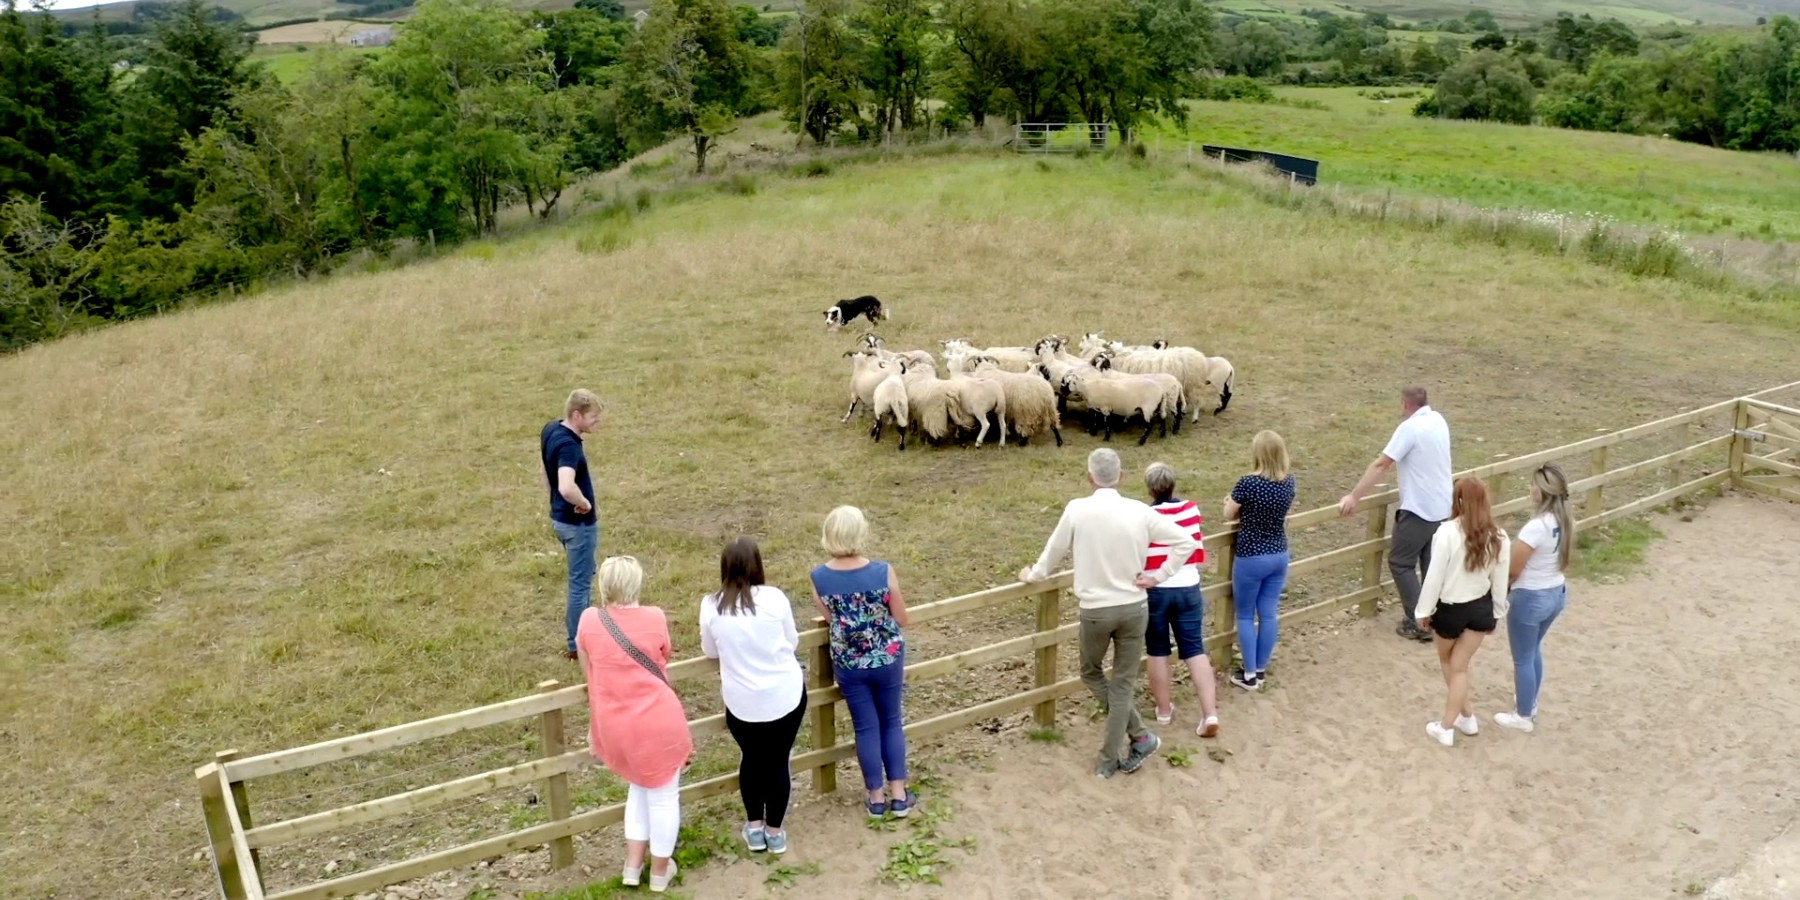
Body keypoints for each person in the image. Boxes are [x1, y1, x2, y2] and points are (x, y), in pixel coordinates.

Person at [1019, 448, 1199, 779]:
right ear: (1122, 477)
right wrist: (1158, 576)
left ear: (1090, 477)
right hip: (1134, 607)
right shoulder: (1139, 511)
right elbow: (1186, 541)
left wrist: (1033, 575)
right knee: (1123, 684)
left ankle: (1111, 756)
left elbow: (1053, 552)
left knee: (1091, 673)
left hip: (1096, 611)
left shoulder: (1077, 509)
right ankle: (1138, 738)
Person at [577, 556, 692, 892]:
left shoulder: (588, 620)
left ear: (604, 586)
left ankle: (632, 866)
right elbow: (664, 654)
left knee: (638, 788)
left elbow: (589, 670)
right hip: (658, 720)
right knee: (663, 796)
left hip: (614, 724)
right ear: (636, 584)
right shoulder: (654, 617)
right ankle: (659, 871)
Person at [701, 537, 807, 854]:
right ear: (758, 564)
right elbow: (793, 641)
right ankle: (775, 832)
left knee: (752, 760)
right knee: (777, 762)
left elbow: (709, 650)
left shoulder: (711, 605)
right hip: (785, 696)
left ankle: (755, 827)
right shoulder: (775, 599)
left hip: (743, 704)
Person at [810, 507, 914, 819]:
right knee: (891, 721)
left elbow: (831, 621)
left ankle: (876, 798)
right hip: (887, 657)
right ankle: (899, 795)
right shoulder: (883, 571)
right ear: (861, 533)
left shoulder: (819, 577)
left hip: (850, 663)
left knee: (866, 727)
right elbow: (902, 618)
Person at [1338, 386, 1453, 643]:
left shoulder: (1409, 429)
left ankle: (1418, 622)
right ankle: (1434, 616)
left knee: (1401, 562)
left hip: (1419, 509)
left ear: (1404, 404)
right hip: (1441, 508)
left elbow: (1382, 464)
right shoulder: (1438, 420)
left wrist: (1354, 497)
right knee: (1430, 565)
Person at [1415, 479, 1510, 748]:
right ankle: (1466, 717)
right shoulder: (1500, 537)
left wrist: (1423, 610)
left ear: (1458, 501)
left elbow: (1434, 576)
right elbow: (1500, 582)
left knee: (1452, 666)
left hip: (1450, 609)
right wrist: (1497, 613)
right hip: (1480, 609)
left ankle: (1447, 726)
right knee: (1461, 667)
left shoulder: (1446, 533)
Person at [1140, 462, 1220, 738]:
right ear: (1172, 484)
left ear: (1150, 489)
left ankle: (1164, 711)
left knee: (1157, 649)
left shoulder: (1146, 515)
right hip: (1188, 585)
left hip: (1156, 588)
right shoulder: (1191, 508)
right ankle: (1209, 713)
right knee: (1195, 648)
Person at [1495, 464, 1574, 734]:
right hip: (1556, 592)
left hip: (1530, 597)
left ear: (1541, 491)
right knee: (1533, 650)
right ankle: (1531, 701)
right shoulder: (1562, 521)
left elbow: (1514, 569)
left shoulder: (1535, 527)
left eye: (1532, 485)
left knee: (1522, 658)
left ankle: (1523, 715)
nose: (1530, 490)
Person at [1223, 430, 1296, 692]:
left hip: (1252, 556)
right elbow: (1285, 513)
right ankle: (1261, 669)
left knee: (1244, 615)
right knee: (1268, 613)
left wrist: (1229, 503)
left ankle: (1250, 674)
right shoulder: (1288, 483)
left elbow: (1228, 513)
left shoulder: (1248, 483)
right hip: (1279, 554)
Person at [542, 389, 605, 660]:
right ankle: (577, 644)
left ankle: (583, 635)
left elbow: (547, 473)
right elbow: (567, 486)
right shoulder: (569, 446)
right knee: (580, 586)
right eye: (593, 417)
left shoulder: (551, 429)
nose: (597, 422)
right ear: (576, 415)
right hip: (577, 526)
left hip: (560, 520)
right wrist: (584, 503)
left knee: (584, 573)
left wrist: (553, 499)